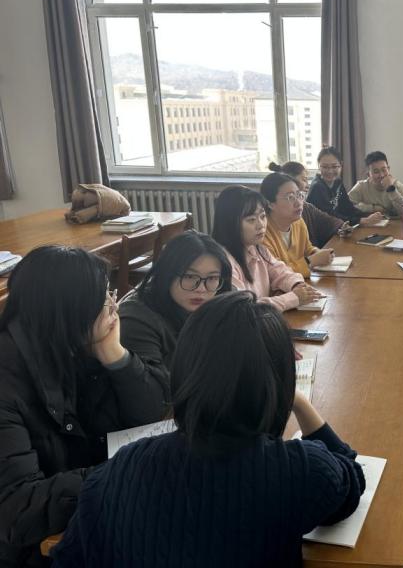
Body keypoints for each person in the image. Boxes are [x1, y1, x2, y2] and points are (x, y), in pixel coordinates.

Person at [52, 292, 366, 567]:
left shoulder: (121, 466)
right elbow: (351, 482)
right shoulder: (301, 471)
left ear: (184, 370)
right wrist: (299, 402)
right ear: (279, 382)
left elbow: (69, 557)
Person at [0, 246, 169, 566]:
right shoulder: (8, 381)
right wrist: (122, 472)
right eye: (103, 299)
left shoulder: (75, 345)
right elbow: (16, 510)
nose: (113, 307)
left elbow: (151, 414)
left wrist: (116, 357)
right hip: (38, 549)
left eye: (109, 294)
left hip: (86, 511)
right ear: (68, 311)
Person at [118, 230, 233, 381]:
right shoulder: (137, 320)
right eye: (189, 276)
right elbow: (154, 389)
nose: (201, 288)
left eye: (212, 278)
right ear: (167, 274)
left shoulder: (222, 296)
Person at [211, 185, 321, 311]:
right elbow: (245, 308)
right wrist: (294, 298)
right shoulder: (223, 263)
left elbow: (281, 271)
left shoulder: (257, 249)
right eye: (251, 219)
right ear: (230, 223)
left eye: (263, 216)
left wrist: (297, 285)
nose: (261, 225)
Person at [260, 172, 335, 278]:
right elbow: (276, 275)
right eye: (290, 197)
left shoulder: (297, 222)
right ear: (270, 204)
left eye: (299, 195)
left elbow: (307, 249)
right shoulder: (261, 233)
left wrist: (319, 253)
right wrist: (310, 261)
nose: (299, 203)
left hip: (300, 283)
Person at [268, 161, 350, 248]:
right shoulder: (273, 225)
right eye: (304, 180)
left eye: (300, 195)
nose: (307, 185)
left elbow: (327, 220)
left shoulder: (306, 208)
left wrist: (342, 226)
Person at [306, 147, 384, 226]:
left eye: (334, 166)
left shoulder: (337, 182)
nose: (330, 171)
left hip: (337, 227)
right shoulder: (317, 187)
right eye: (325, 167)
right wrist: (360, 221)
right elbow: (330, 216)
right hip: (320, 230)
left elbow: (348, 208)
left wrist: (367, 216)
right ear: (318, 166)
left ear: (341, 165)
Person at [348, 151, 403, 217]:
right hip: (370, 223)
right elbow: (345, 206)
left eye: (384, 170)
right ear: (368, 174)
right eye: (376, 171)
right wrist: (372, 208)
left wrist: (391, 190)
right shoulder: (361, 186)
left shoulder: (399, 186)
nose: (381, 175)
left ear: (388, 169)